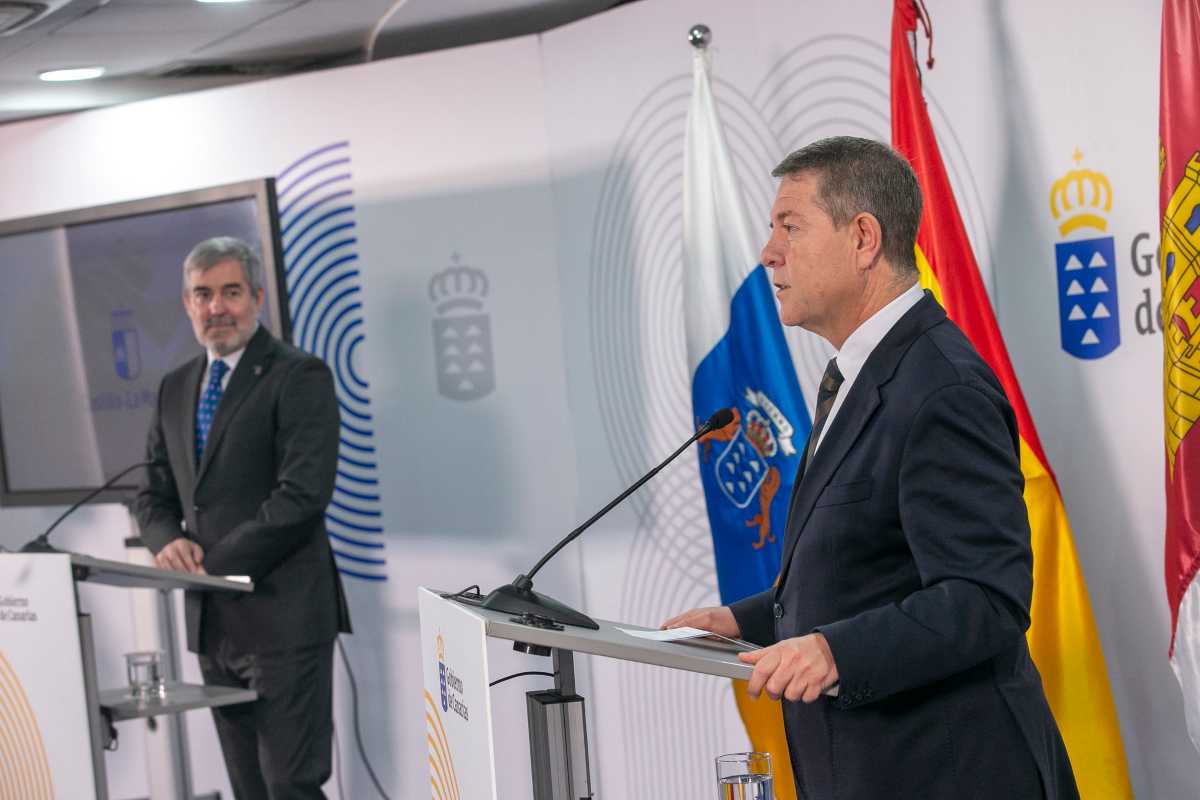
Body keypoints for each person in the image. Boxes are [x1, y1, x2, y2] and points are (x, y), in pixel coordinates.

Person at [663, 137, 1078, 799]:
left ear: (862, 238)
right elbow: (875, 566)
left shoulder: (942, 388)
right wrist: (754, 617)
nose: (769, 251)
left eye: (790, 227)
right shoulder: (856, 373)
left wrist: (833, 652)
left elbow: (985, 599)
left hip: (955, 775)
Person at [134, 236, 351, 799]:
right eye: (202, 295)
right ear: (187, 304)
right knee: (248, 787)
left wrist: (210, 563)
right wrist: (166, 543)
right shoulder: (175, 386)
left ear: (257, 297)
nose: (216, 308)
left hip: (285, 619)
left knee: (290, 786)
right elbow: (153, 494)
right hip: (214, 626)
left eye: (230, 292)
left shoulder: (299, 375)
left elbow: (301, 497)